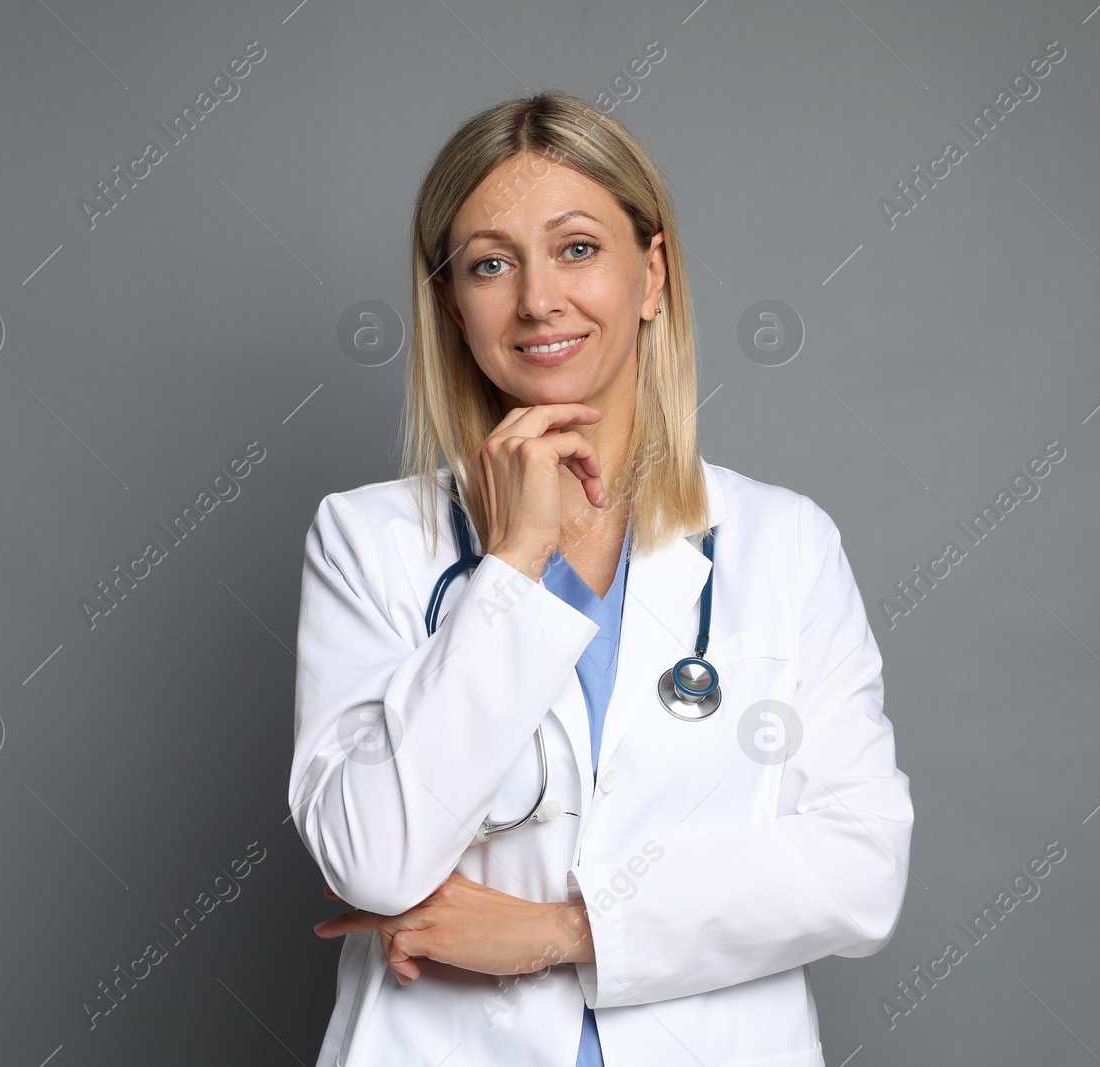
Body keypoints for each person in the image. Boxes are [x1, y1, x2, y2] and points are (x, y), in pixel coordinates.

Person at [289, 89, 914, 1067]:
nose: (538, 299)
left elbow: (858, 866)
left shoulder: (783, 542)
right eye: (491, 263)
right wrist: (506, 567)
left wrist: (564, 930)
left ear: (651, 274)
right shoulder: (368, 540)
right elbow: (374, 858)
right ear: (454, 304)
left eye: (577, 247)